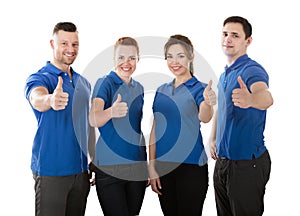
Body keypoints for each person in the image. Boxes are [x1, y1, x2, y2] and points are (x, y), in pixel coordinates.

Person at [24, 22, 93, 216]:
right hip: (51, 172)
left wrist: (93, 158)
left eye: (75, 44)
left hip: (80, 174)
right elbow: (36, 97)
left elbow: (87, 124)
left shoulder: (84, 82)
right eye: (64, 43)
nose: (70, 49)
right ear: (52, 44)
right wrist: (50, 100)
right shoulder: (41, 77)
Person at [209, 16, 274, 216]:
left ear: (248, 41)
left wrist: (252, 100)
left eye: (235, 35)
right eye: (225, 34)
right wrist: (212, 138)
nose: (228, 39)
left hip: (247, 165)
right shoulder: (225, 74)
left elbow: (266, 97)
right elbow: (222, 109)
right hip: (223, 162)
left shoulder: (251, 70)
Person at [148, 34, 216, 216]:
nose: (174, 62)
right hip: (163, 166)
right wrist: (151, 166)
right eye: (170, 57)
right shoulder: (161, 90)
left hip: (191, 167)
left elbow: (205, 117)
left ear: (191, 56)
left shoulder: (200, 88)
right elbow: (155, 129)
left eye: (180, 56)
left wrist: (208, 103)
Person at [89, 36, 148, 216]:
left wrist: (144, 164)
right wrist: (110, 112)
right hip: (110, 169)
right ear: (114, 59)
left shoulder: (139, 88)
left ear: (138, 59)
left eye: (131, 58)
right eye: (121, 57)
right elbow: (93, 118)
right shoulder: (105, 83)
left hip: (137, 168)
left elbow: (137, 129)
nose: (126, 63)